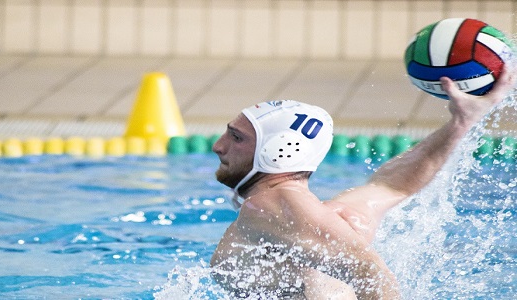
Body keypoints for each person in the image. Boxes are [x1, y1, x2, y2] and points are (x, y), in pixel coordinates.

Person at [209, 65, 515, 299]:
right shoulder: (338, 214)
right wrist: (461, 123)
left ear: (279, 150)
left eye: (237, 138)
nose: (218, 146)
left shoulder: (267, 207)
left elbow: (372, 275)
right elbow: (393, 184)